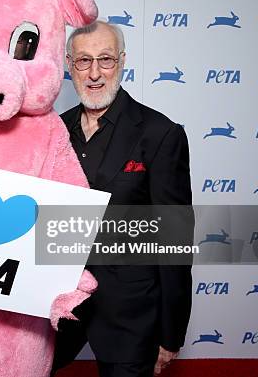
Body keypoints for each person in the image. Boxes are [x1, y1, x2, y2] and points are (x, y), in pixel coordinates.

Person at [52, 21, 193, 377]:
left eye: (106, 59)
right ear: (70, 65)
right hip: (56, 307)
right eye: (84, 61)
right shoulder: (53, 130)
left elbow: (174, 241)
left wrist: (171, 333)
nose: (95, 73)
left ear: (122, 61)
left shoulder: (160, 134)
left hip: (131, 318)